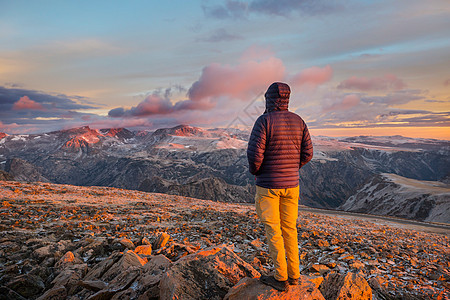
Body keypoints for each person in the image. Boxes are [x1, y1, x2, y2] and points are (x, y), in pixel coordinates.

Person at [247, 82, 313, 291]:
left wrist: (258, 172)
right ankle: (294, 275)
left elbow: (254, 155)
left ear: (268, 99)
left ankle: (280, 277)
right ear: (287, 99)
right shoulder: (299, 121)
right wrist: (292, 168)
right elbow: (308, 153)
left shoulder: (264, 121)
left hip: (268, 186)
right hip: (292, 186)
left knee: (274, 231)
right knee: (290, 229)